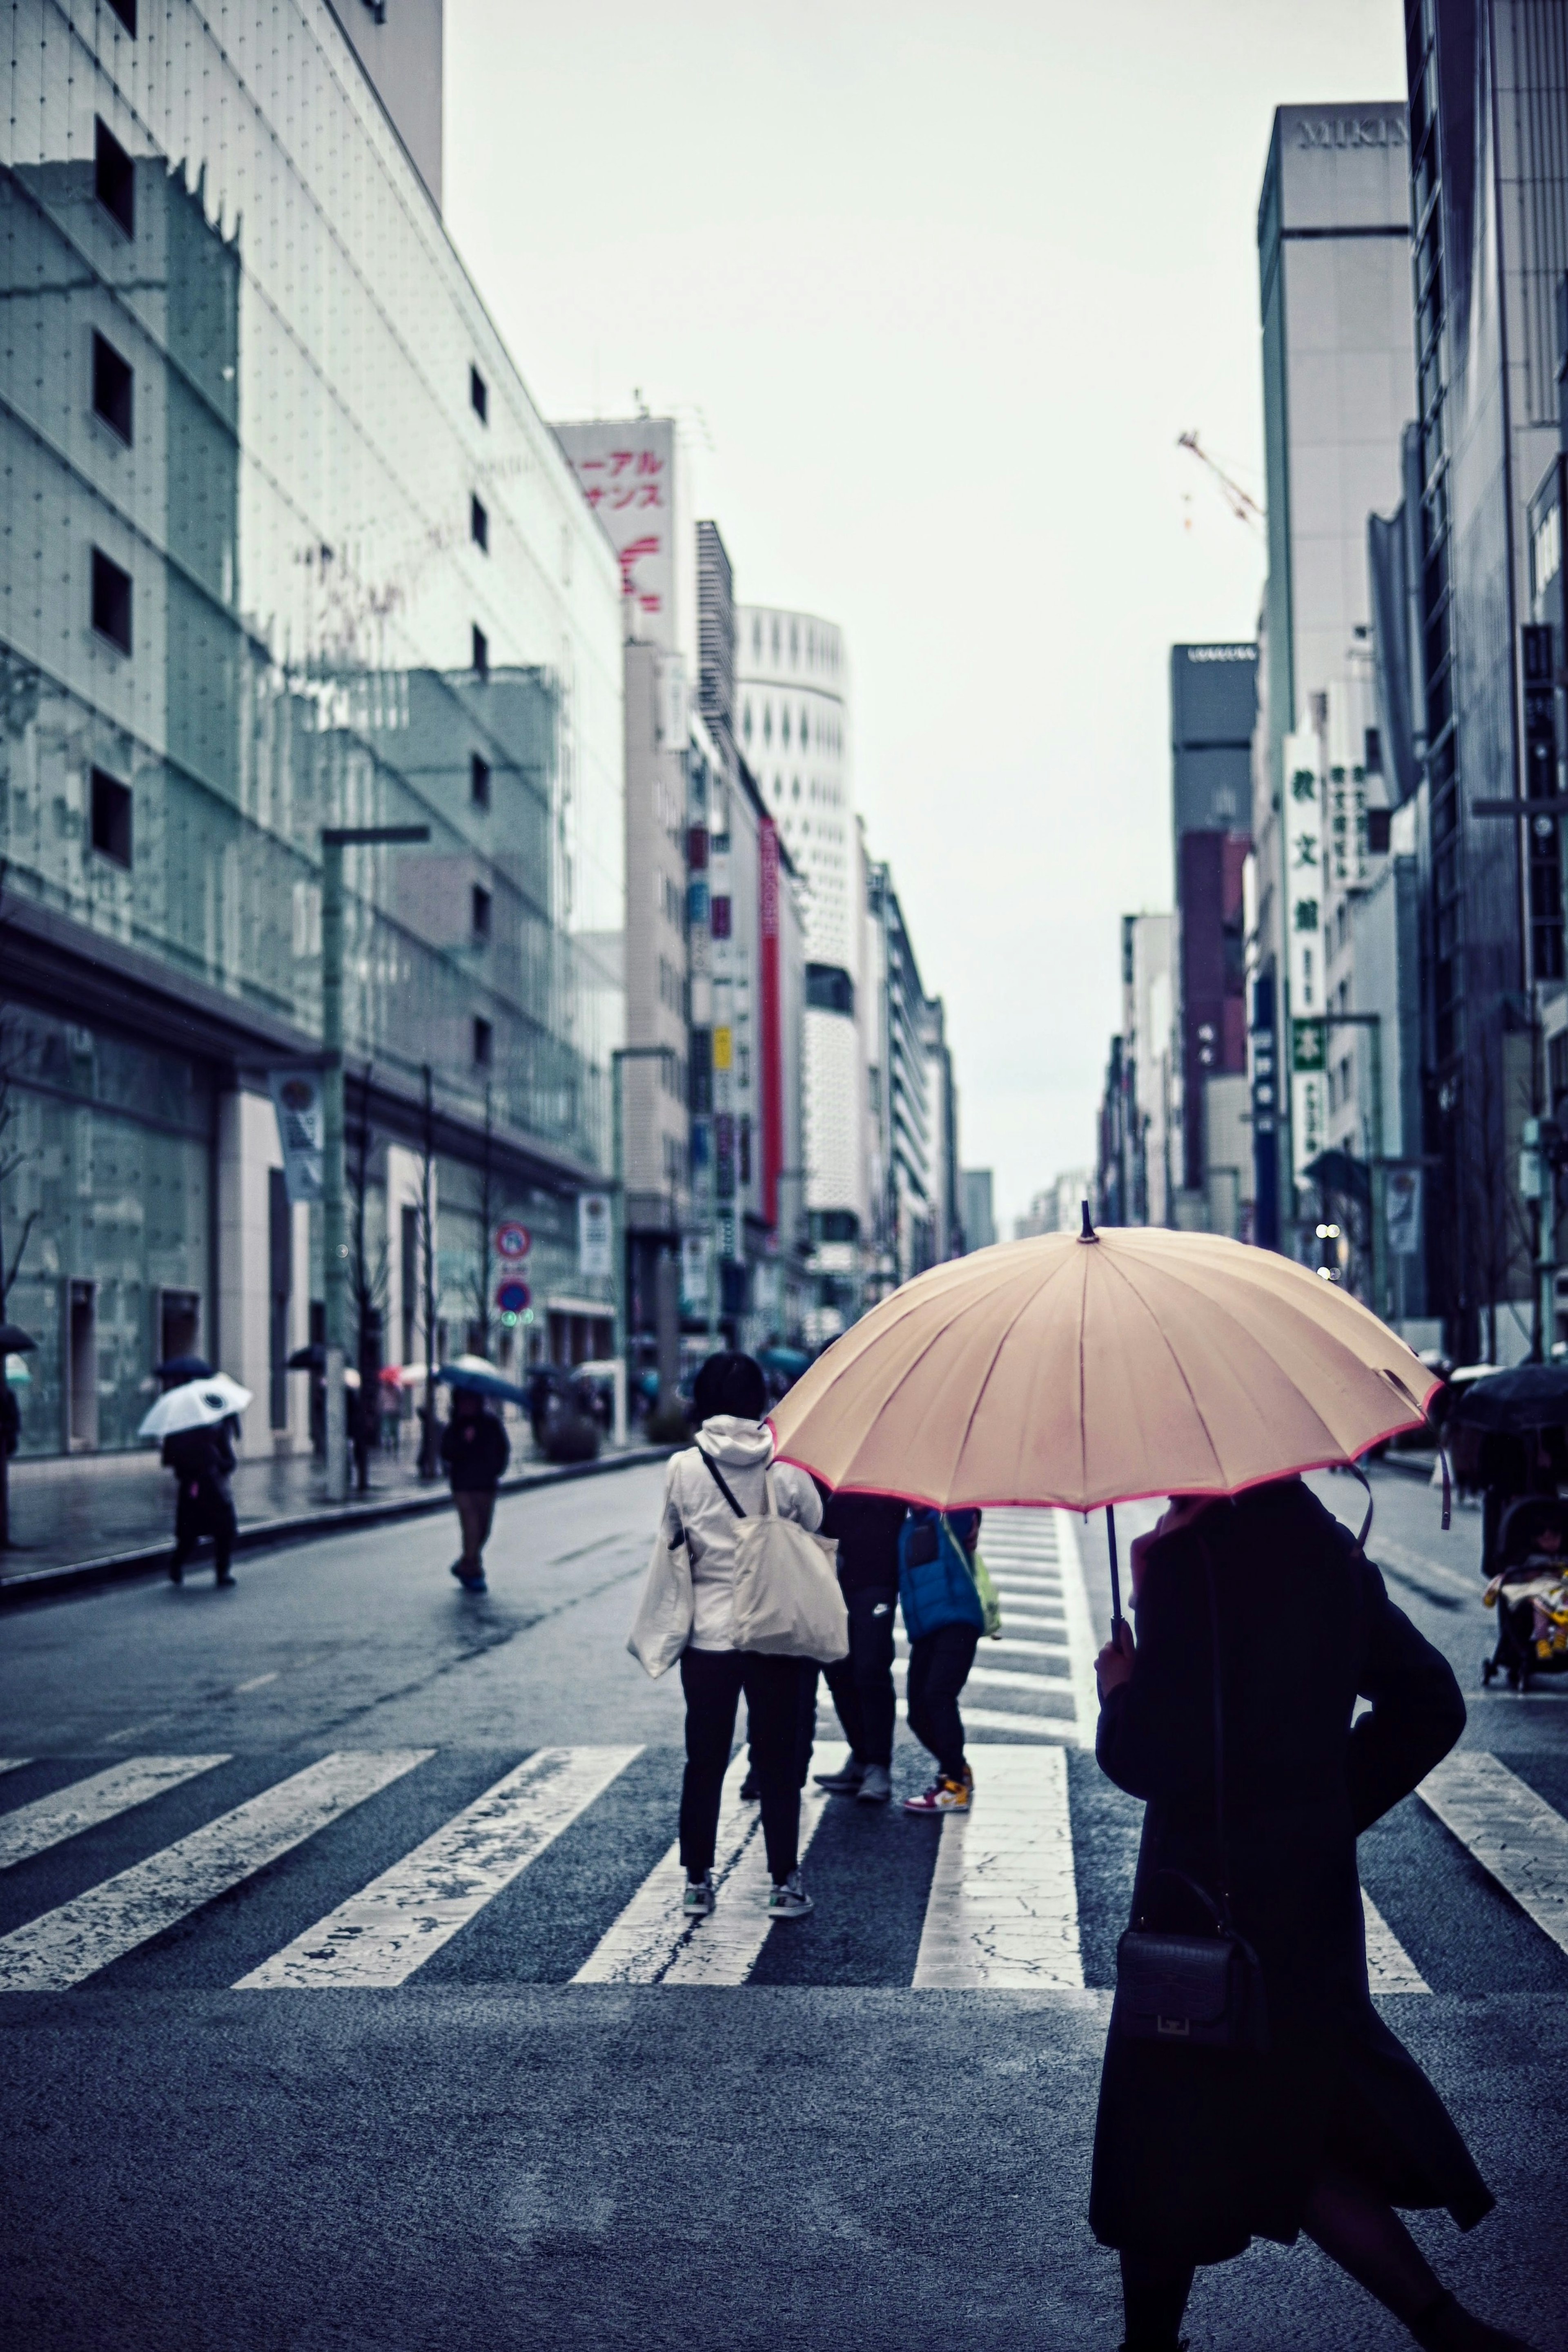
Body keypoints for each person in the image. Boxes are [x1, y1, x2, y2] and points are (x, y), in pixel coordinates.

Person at [1091, 1478, 1535, 2352]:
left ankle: (1150, 2346)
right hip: (1303, 1900)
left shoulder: (1186, 1563)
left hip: (1198, 1898)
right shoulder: (1328, 1548)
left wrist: (1121, 1686)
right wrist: (1323, 1808)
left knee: (1167, 2127)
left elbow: (1155, 1755)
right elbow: (1430, 1704)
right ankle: (1444, 2326)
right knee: (1294, 2115)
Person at [659, 1349, 823, 1921]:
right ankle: (784, 1883)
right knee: (777, 1760)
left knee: (703, 1757)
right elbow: (814, 1523)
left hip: (707, 1637)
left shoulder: (683, 1467)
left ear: (703, 1400)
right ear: (761, 1400)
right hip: (773, 1633)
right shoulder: (788, 1467)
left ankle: (698, 1882)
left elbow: (675, 1537)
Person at [812, 1491, 908, 1804]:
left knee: (871, 1668)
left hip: (877, 1576)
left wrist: (971, 1517)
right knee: (837, 1669)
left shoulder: (895, 1459)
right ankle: (861, 1757)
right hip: (829, 1577)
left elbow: (938, 1490)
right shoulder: (826, 1457)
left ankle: (879, 1765)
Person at [898, 1503, 983, 1815]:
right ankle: (958, 1769)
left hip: (957, 1622)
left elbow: (966, 1497)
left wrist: (969, 1511)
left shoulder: (952, 1518)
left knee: (938, 1695)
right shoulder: (905, 1529)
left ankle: (953, 1786)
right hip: (925, 1632)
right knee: (918, 1714)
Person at [439, 1386, 509, 1592]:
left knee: (484, 1529)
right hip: (463, 1485)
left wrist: (496, 1469)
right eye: (463, 1401)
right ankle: (473, 1570)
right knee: (471, 1527)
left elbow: (502, 1449)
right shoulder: (454, 1426)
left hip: (486, 1484)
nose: (467, 1405)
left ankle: (466, 1563)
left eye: (472, 1400)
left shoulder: (491, 1424)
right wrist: (464, 1441)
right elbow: (446, 1452)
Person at [164, 1413, 239, 1588]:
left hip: (217, 1491)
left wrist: (216, 1460)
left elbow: (230, 1463)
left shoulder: (219, 1431)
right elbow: (173, 1464)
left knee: (225, 1532)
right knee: (188, 1537)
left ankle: (223, 1572)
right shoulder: (180, 1433)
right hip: (194, 1493)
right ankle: (176, 1565)